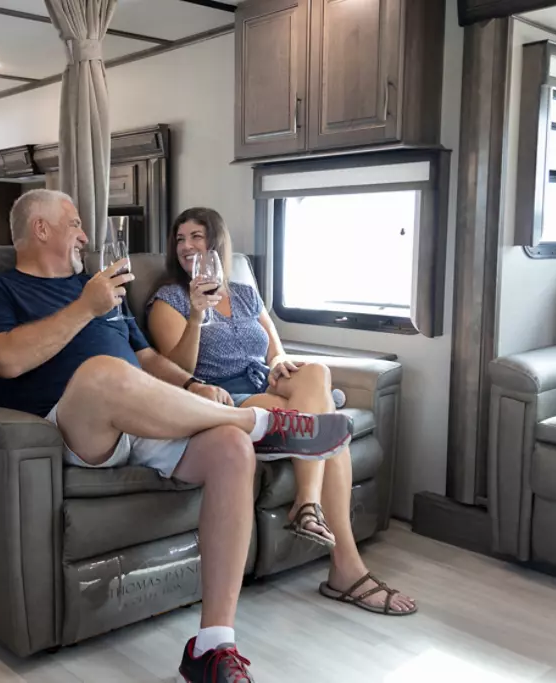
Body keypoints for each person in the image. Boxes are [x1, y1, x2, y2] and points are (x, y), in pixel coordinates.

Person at [0, 189, 353, 683]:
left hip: (146, 419)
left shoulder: (103, 291)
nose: (85, 235)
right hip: (70, 427)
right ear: (41, 229)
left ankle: (212, 646)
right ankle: (264, 424)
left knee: (231, 451)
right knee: (103, 371)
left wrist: (194, 386)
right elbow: (6, 359)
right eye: (76, 224)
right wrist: (86, 307)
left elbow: (147, 361)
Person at [147, 207, 417, 617]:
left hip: (264, 381)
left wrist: (277, 365)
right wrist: (198, 315)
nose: (186, 246)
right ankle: (345, 567)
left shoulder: (244, 293)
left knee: (318, 372)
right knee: (331, 428)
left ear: (216, 243)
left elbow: (277, 351)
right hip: (226, 397)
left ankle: (307, 503)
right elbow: (178, 371)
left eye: (196, 237)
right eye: (180, 239)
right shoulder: (169, 300)